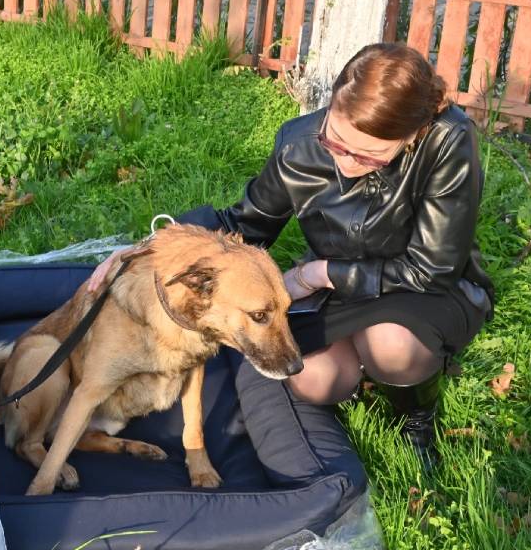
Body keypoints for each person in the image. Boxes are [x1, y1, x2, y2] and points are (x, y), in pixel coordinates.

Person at [89, 43, 493, 467]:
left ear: (411, 135)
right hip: (342, 292)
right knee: (313, 380)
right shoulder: (298, 144)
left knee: (392, 347)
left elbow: (434, 266)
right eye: (336, 141)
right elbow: (245, 223)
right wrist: (151, 247)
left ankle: (416, 413)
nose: (348, 162)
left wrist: (317, 273)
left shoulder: (449, 139)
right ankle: (361, 372)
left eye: (370, 155)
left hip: (424, 286)